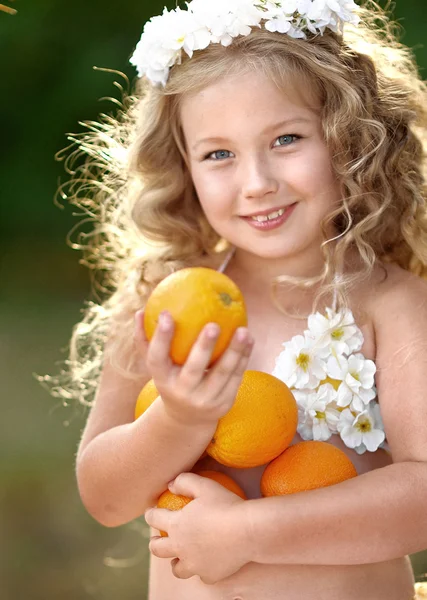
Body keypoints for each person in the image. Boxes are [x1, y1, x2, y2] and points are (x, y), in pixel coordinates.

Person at [49, 0, 427, 598]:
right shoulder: (165, 304)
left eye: (286, 138)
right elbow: (106, 498)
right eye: (218, 153)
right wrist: (181, 418)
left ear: (349, 136)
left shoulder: (392, 304)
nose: (257, 183)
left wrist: (250, 532)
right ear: (184, 166)